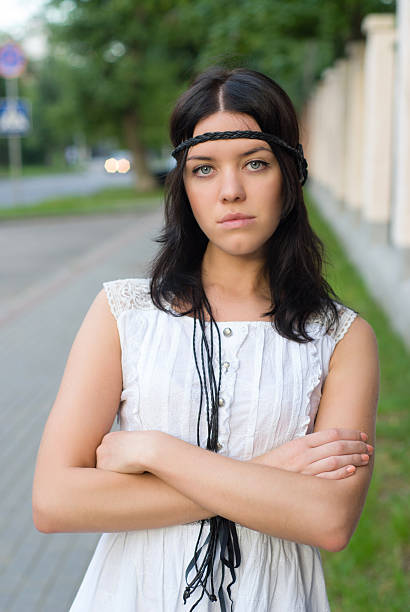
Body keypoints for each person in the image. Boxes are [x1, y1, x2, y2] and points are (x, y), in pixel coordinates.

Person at [32, 67, 379, 612]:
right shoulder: (123, 313)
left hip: (272, 595)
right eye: (204, 170)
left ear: (289, 174)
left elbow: (328, 520)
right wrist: (270, 479)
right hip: (134, 594)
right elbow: (53, 503)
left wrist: (153, 450)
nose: (231, 191)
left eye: (255, 164)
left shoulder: (341, 337)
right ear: (184, 185)